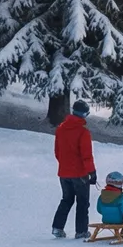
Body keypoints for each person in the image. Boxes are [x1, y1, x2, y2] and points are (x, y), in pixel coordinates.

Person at [51, 99, 96, 239]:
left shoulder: (61, 128)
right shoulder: (83, 132)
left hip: (64, 173)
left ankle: (57, 228)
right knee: (82, 202)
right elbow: (86, 155)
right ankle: (81, 231)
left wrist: (65, 164)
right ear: (84, 114)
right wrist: (92, 172)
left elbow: (57, 152)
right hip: (80, 173)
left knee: (66, 199)